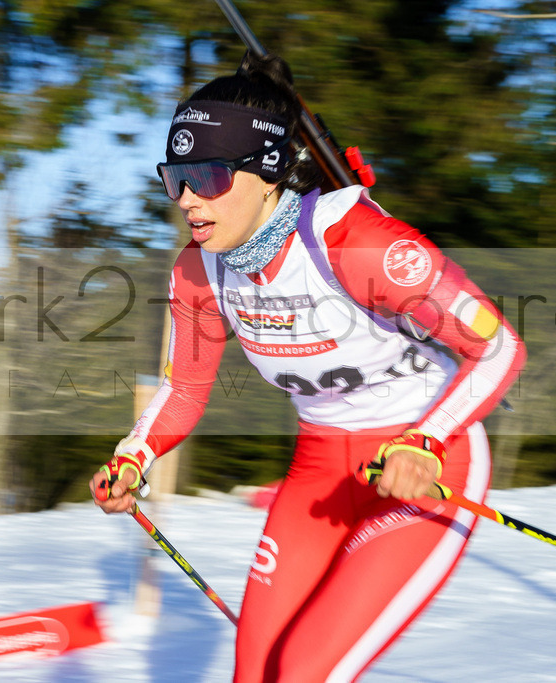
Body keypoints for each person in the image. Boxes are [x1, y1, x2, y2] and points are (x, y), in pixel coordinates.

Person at [89, 50, 526, 682]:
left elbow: (500, 347)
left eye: (209, 176)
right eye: (174, 176)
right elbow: (184, 388)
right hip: (319, 470)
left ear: (268, 172)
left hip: (428, 462)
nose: (187, 198)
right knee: (256, 672)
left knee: (302, 671)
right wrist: (134, 455)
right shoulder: (198, 271)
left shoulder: (358, 245)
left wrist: (427, 442)